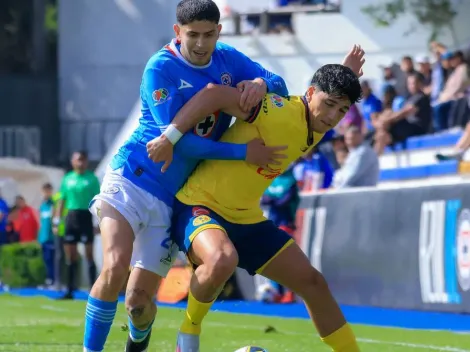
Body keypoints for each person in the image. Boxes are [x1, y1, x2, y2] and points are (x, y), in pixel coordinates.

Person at [85, 0, 289, 351]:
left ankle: (137, 339)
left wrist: (258, 83)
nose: (200, 43)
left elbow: (280, 85)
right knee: (115, 266)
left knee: (137, 303)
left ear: (218, 32)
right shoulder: (160, 67)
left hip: (171, 200)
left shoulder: (228, 58)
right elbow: (177, 145)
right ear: (177, 32)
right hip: (132, 178)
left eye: (208, 35)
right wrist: (244, 152)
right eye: (192, 35)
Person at [149, 47, 364, 352]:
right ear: (310, 92)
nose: (332, 116)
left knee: (313, 283)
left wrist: (346, 72)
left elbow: (330, 94)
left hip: (246, 218)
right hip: (200, 205)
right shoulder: (277, 110)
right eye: (328, 105)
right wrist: (168, 137)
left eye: (342, 111)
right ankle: (188, 333)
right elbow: (213, 95)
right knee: (222, 259)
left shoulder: (317, 120)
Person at [53, 150, 100, 300]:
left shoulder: (92, 179)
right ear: (72, 161)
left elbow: (98, 201)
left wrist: (99, 222)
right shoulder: (67, 179)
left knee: (89, 254)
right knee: (70, 255)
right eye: (77, 159)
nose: (80, 163)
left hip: (85, 217)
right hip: (71, 218)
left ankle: (93, 290)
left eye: (82, 160)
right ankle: (69, 290)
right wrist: (56, 221)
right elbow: (62, 201)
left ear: (86, 162)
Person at [38, 183, 56, 287]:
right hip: (43, 237)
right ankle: (48, 279)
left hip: (51, 237)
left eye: (47, 191)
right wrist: (39, 238)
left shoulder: (53, 204)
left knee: (51, 259)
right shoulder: (43, 205)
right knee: (46, 259)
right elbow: (41, 223)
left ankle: (53, 280)